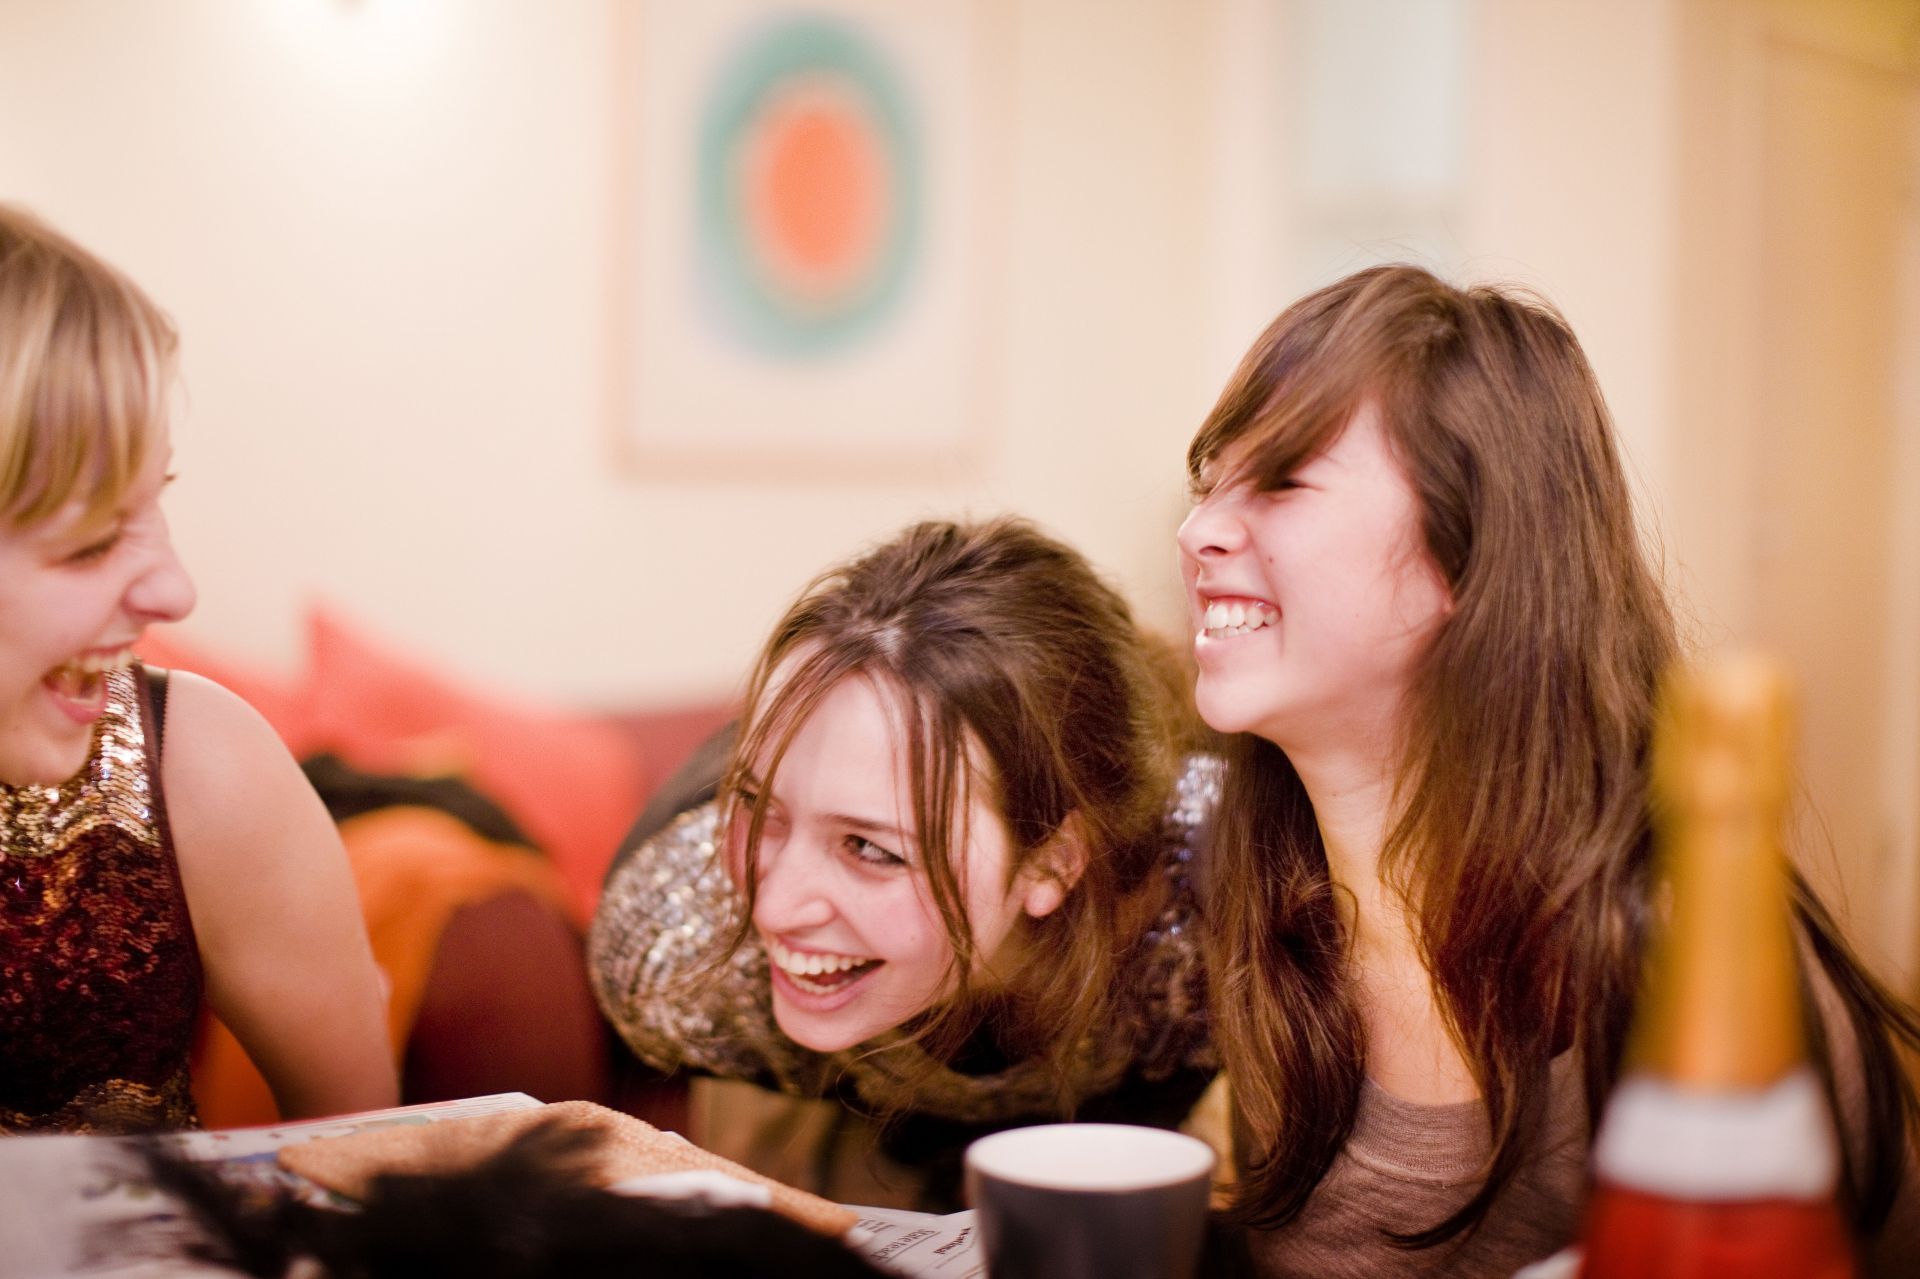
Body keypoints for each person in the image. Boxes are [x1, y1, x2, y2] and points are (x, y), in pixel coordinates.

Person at [1176, 263, 1920, 1274]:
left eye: (1282, 480)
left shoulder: (1682, 962)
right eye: (1209, 480)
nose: (1197, 530)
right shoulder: (1237, 892)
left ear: (1470, 553)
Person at [589, 518, 1219, 1210]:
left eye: (870, 848)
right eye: (759, 806)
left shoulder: (1210, 923)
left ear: (1051, 864)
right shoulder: (681, 954)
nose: (773, 909)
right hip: (827, 1094)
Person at [0, 204, 396, 1132]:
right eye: (94, 541)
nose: (175, 592)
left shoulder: (201, 773)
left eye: (157, 502)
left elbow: (360, 1156)